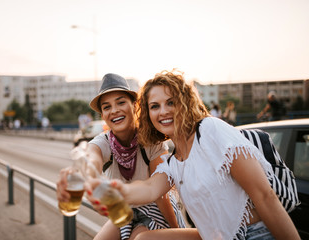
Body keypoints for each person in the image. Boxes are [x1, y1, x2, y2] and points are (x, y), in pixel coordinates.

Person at [87, 70, 300, 240]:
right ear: (148, 113)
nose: (163, 112)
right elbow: (149, 188)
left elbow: (265, 196)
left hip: (254, 234)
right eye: (155, 106)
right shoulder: (174, 161)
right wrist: (106, 190)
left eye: (171, 102)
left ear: (184, 102)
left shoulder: (209, 130)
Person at [56, 73, 185, 240]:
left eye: (121, 102)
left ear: (134, 106)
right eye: (107, 107)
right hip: (126, 209)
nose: (114, 110)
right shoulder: (102, 142)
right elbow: (92, 158)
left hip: (155, 208)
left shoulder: (152, 141)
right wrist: (83, 173)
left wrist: (175, 232)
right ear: (103, 115)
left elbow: (160, 195)